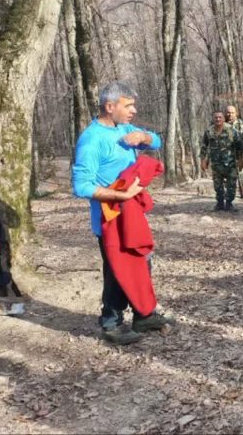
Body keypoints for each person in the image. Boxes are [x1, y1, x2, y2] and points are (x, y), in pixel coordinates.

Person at [72, 82, 173, 345]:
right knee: (117, 271)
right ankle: (110, 323)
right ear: (110, 106)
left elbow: (157, 141)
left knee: (142, 261)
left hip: (132, 215)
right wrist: (121, 195)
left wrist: (144, 138)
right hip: (109, 219)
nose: (134, 111)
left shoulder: (125, 129)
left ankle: (143, 315)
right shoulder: (92, 139)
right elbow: (81, 185)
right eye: (128, 106)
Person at [200, 110, 243, 212]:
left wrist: (241, 160)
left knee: (231, 185)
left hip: (230, 163)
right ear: (213, 119)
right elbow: (204, 146)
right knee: (218, 185)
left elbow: (240, 146)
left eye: (220, 117)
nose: (218, 119)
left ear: (224, 119)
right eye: (216, 117)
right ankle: (220, 204)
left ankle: (229, 204)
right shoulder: (209, 131)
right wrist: (203, 161)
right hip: (216, 164)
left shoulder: (231, 130)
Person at [225, 105, 243, 200]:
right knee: (228, 174)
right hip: (226, 153)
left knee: (241, 173)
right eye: (228, 112)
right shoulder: (222, 124)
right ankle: (229, 193)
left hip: (239, 153)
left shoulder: (240, 124)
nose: (230, 115)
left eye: (232, 112)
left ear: (236, 113)